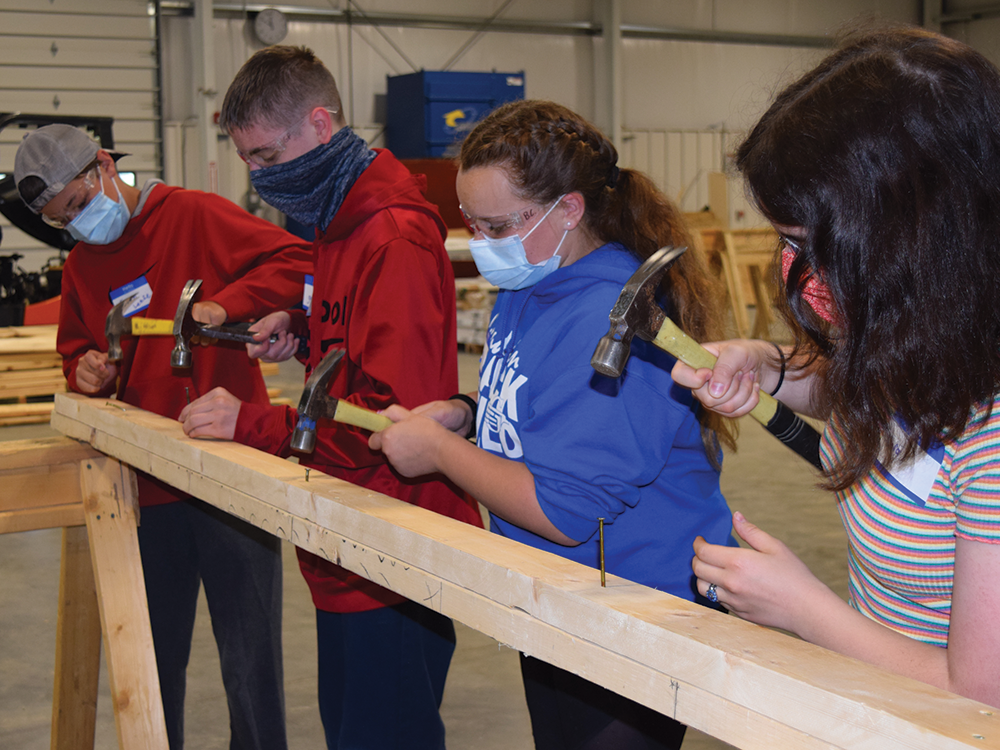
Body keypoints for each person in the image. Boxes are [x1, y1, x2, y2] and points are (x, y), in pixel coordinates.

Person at [368, 99, 737, 750]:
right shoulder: (530, 286)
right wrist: (464, 414)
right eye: (471, 224)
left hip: (636, 607)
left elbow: (566, 509)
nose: (482, 244)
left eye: (497, 225)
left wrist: (438, 453)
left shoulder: (617, 314)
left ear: (568, 210)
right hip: (559, 592)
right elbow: (548, 415)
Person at [673, 25, 1000, 709]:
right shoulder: (922, 327)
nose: (792, 267)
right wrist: (766, 365)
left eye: (806, 241)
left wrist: (803, 610)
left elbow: (981, 697)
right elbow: (870, 386)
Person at [177, 46, 483, 750]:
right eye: (245, 159)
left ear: (320, 124)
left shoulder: (393, 237)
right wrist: (305, 326)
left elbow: (391, 421)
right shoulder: (333, 218)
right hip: (347, 535)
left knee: (384, 734)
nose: (256, 178)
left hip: (394, 539)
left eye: (263, 156)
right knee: (352, 729)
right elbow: (354, 337)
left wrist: (250, 423)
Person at [14, 123, 313, 748]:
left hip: (230, 474)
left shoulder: (192, 216)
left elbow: (297, 263)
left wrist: (224, 305)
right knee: (149, 663)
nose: (76, 225)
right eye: (61, 221)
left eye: (76, 205)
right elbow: (78, 354)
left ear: (102, 167)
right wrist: (89, 371)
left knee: (250, 659)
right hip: (143, 486)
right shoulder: (79, 269)